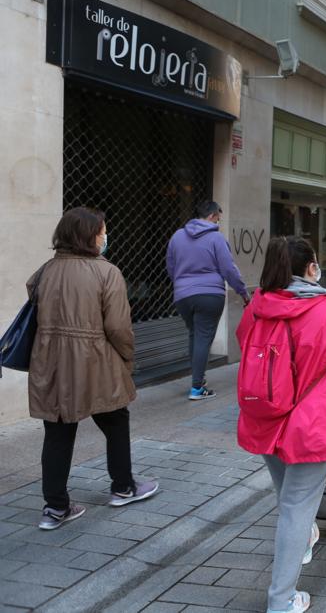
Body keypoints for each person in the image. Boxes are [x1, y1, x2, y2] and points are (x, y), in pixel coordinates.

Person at [236, 236, 326, 613]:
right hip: (313, 422)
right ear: (312, 268)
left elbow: (244, 342)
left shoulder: (258, 306)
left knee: (289, 498)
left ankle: (306, 535)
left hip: (264, 417)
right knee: (296, 505)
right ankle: (281, 601)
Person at [28, 207, 159, 531]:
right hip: (95, 360)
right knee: (115, 419)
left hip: (52, 361)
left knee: (57, 429)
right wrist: (127, 357)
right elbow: (118, 326)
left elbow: (34, 301)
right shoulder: (106, 272)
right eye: (102, 231)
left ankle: (55, 507)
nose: (105, 236)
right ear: (89, 236)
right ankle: (123, 487)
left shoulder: (46, 270)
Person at [166, 200, 250, 401]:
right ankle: (196, 387)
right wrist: (243, 292)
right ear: (212, 215)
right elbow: (229, 269)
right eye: (218, 218)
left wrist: (181, 284)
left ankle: (198, 379)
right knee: (203, 337)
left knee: (195, 335)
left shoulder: (177, 236)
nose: (219, 222)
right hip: (210, 295)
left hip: (183, 295)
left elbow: (170, 265)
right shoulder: (216, 238)